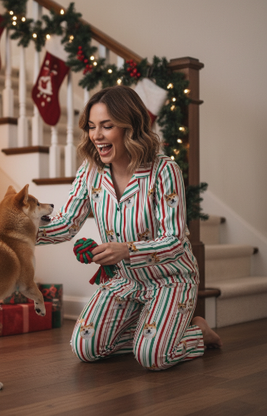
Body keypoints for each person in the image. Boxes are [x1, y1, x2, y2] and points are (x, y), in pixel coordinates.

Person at [37, 85, 222, 370]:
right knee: (84, 347)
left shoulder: (164, 170)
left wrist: (127, 250)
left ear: (130, 127)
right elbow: (67, 223)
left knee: (152, 357)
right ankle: (150, 333)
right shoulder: (91, 171)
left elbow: (173, 240)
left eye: (107, 126)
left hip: (170, 279)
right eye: (91, 127)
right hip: (124, 281)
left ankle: (197, 333)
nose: (96, 135)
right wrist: (19, 234)